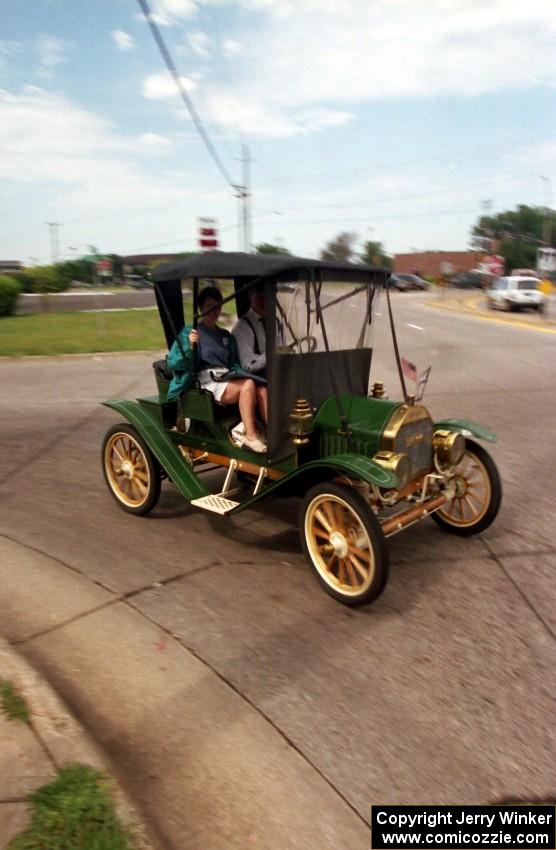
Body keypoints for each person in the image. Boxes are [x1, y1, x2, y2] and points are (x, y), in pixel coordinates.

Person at [167, 286, 268, 453]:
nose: (213, 311)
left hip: (226, 376)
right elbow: (175, 363)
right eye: (209, 306)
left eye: (217, 306)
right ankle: (250, 436)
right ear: (201, 308)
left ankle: (272, 434)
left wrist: (243, 373)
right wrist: (190, 347)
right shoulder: (190, 333)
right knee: (248, 384)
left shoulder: (224, 335)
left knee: (263, 389)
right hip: (205, 380)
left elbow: (234, 363)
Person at [232, 283, 285, 377]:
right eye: (260, 298)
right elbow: (248, 365)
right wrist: (270, 355)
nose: (265, 302)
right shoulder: (242, 327)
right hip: (256, 376)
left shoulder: (276, 321)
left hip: (276, 371)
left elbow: (281, 347)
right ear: (251, 299)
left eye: (268, 297)